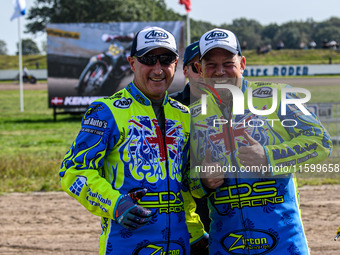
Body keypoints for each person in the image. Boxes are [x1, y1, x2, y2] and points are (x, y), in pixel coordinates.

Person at [59, 26, 206, 255]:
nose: (158, 69)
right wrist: (116, 204)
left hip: (178, 245)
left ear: (175, 64)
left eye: (165, 59)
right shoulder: (106, 111)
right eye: (148, 59)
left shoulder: (184, 115)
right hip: (126, 245)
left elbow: (183, 186)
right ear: (132, 63)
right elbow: (73, 171)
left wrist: (196, 232)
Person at [188, 28, 333, 254]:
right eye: (211, 65)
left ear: (242, 63)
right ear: (200, 70)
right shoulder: (192, 115)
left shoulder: (278, 95)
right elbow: (189, 184)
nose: (220, 72)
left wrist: (269, 156)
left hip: (283, 242)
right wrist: (203, 181)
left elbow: (321, 141)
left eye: (228, 63)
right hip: (226, 244)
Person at [170, 41, 211, 233]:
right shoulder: (169, 107)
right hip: (186, 208)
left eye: (208, 65)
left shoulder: (238, 104)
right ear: (185, 71)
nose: (203, 72)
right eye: (196, 67)